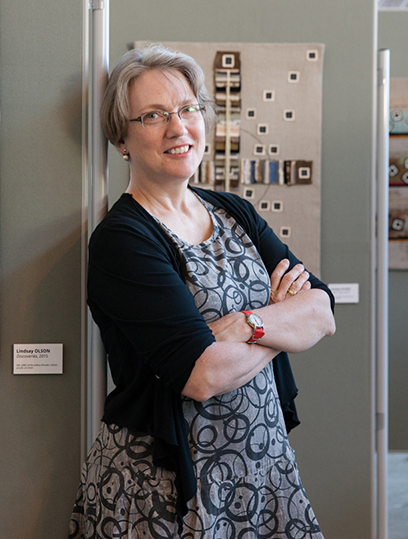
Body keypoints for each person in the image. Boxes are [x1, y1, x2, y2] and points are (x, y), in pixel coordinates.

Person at [70, 44, 336, 538]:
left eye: (188, 108)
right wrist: (278, 316)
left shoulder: (234, 211)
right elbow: (202, 375)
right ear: (121, 138)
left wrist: (247, 325)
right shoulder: (124, 239)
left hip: (262, 470)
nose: (178, 127)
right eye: (153, 116)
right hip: (168, 488)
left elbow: (321, 310)